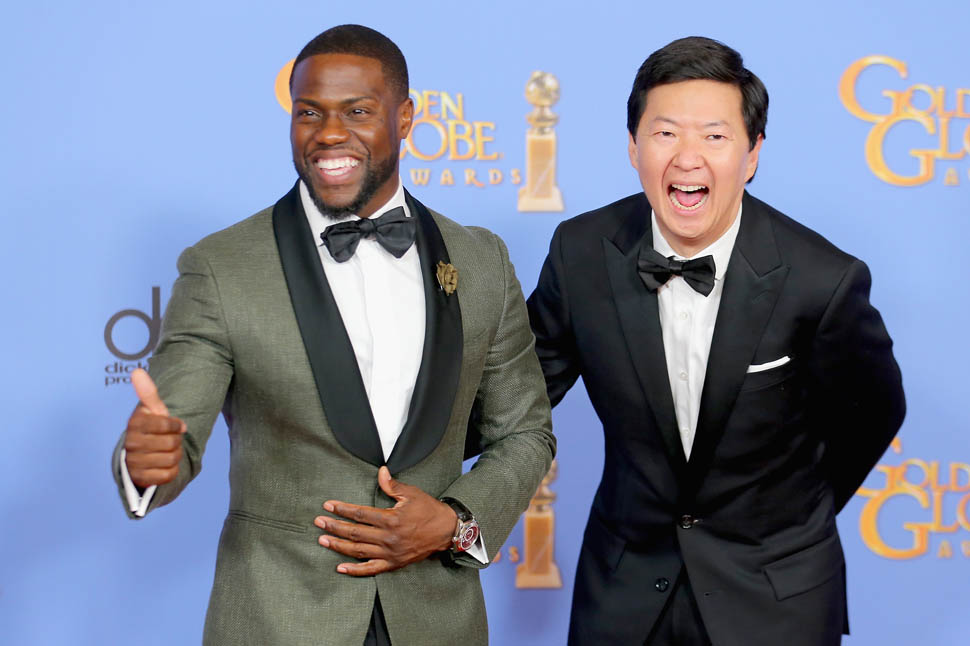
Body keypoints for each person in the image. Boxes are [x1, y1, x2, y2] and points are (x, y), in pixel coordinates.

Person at [112, 24, 554, 646]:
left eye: (358, 111)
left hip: (438, 620)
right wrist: (145, 465)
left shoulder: (480, 261)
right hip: (277, 620)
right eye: (309, 112)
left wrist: (455, 523)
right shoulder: (222, 267)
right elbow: (171, 437)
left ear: (405, 118)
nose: (328, 133)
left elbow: (525, 432)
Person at [527, 36, 904, 646]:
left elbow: (874, 412)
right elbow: (518, 395)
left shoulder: (822, 280)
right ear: (633, 146)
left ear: (752, 154)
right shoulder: (581, 254)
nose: (688, 158)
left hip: (775, 598)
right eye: (665, 133)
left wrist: (788, 516)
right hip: (624, 592)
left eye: (714, 136)